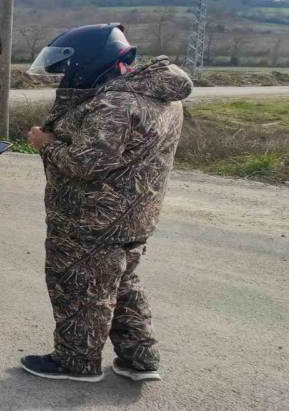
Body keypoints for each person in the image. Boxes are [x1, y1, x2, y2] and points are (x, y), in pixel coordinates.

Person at [20, 23, 192, 383]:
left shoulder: (115, 103)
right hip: (131, 216)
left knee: (81, 291)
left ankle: (75, 362)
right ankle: (139, 359)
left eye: (67, 68)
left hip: (91, 219)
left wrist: (45, 141)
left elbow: (87, 163)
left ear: (89, 60)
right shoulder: (157, 95)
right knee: (123, 286)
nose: (65, 76)